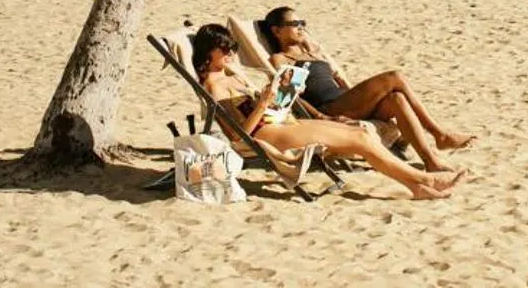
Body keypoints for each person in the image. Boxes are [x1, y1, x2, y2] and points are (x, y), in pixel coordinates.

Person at [192, 24, 459, 200]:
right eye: (224, 49)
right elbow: (238, 136)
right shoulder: (214, 87)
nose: (231, 53)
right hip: (266, 134)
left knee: (362, 133)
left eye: (232, 48)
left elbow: (260, 106)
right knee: (360, 139)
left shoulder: (232, 75)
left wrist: (281, 94)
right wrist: (262, 104)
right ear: (208, 52)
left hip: (280, 120)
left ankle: (416, 187)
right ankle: (425, 180)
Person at [258, 6, 477, 169]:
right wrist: (321, 117)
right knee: (395, 77)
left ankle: (430, 161)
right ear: (277, 31)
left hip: (346, 100)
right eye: (294, 24)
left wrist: (361, 95)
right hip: (329, 106)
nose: (301, 27)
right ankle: (439, 134)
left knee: (397, 99)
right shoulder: (280, 59)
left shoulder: (313, 52)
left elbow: (341, 82)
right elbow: (291, 96)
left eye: (302, 22)